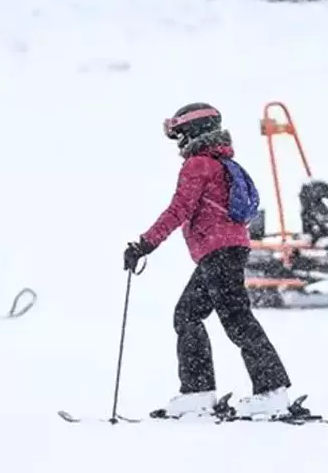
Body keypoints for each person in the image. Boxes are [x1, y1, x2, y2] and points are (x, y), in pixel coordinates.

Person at [123, 102, 293, 420]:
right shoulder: (219, 163)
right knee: (188, 314)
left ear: (193, 132)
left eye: (180, 135)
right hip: (225, 249)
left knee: (236, 319)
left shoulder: (198, 165)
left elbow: (178, 210)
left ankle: (270, 392)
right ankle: (199, 393)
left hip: (219, 251)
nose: (178, 144)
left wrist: (144, 245)